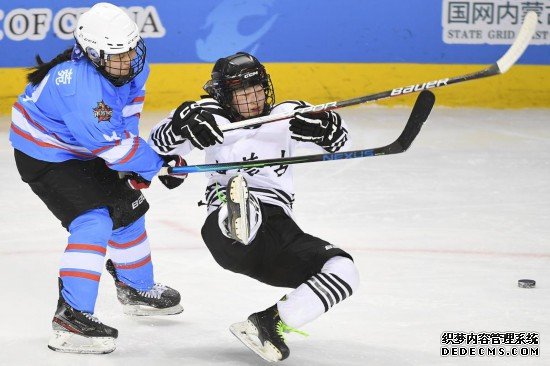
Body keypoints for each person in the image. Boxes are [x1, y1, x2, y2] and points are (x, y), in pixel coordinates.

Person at [149, 52, 360, 362]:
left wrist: (326, 126)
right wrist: (181, 125)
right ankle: (238, 215)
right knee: (241, 198)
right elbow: (156, 146)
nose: (253, 98)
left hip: (279, 232)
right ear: (223, 94)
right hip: (224, 224)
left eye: (257, 88)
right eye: (242, 91)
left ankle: (270, 322)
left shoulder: (288, 115)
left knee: (344, 269)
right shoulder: (207, 116)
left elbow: (342, 144)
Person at [9, 2, 185, 354]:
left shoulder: (131, 63)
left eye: (133, 49)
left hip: (86, 146)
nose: (129, 59)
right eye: (118, 54)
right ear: (91, 53)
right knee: (93, 221)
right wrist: (155, 164)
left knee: (129, 210)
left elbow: (127, 115)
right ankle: (71, 318)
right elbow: (111, 144)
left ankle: (136, 288)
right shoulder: (80, 87)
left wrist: (135, 162)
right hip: (45, 155)